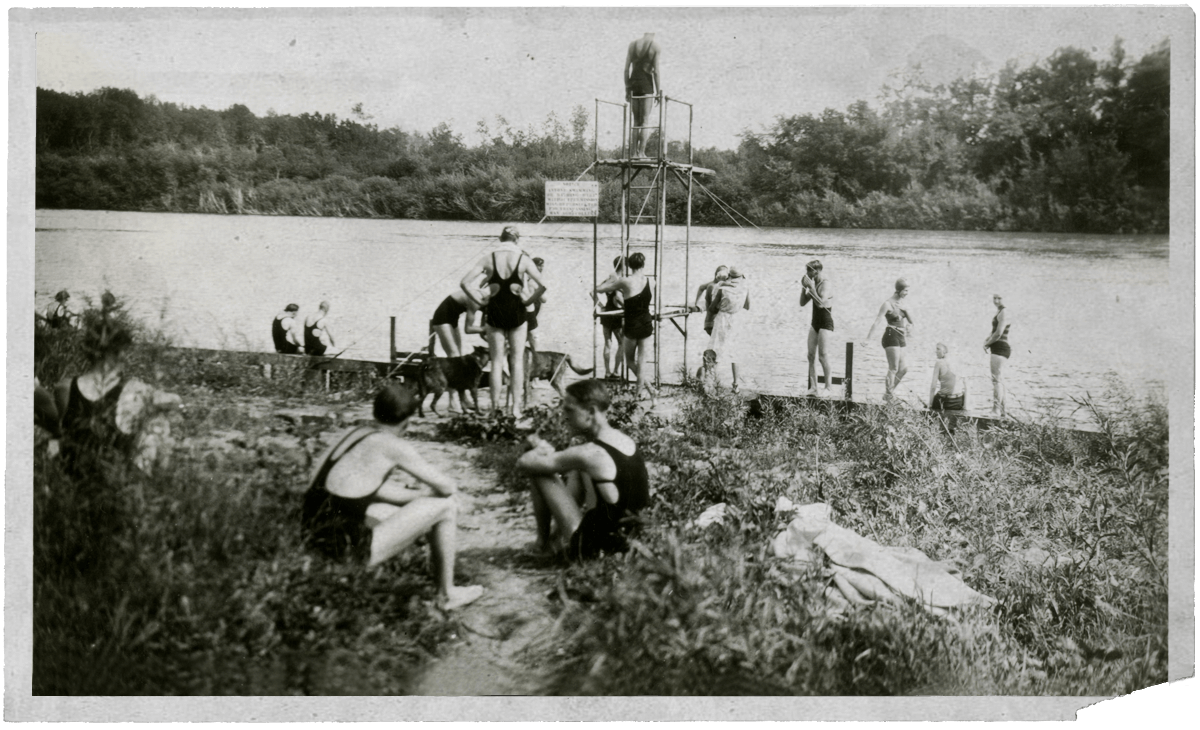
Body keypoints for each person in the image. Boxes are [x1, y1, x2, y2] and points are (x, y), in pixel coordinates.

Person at [301, 384, 484, 611]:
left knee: (394, 511)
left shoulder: (356, 434)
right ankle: (447, 594)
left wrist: (420, 496)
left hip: (310, 538)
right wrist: (435, 496)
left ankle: (406, 569)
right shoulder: (392, 445)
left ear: (375, 412)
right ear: (407, 421)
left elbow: (373, 489)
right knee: (445, 507)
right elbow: (447, 487)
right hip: (344, 552)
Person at [516, 379, 650, 560]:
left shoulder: (589, 454)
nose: (564, 416)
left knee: (540, 470)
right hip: (628, 543)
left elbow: (524, 463)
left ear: (590, 412)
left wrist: (538, 450)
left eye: (569, 410)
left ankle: (544, 545)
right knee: (578, 471)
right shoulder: (624, 441)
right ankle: (557, 541)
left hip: (596, 551)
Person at [52, 291, 182, 477]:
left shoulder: (64, 387)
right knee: (157, 420)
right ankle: (152, 483)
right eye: (124, 352)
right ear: (117, 353)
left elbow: (58, 437)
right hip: (109, 485)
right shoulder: (132, 390)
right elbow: (174, 401)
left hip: (72, 483)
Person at [460, 225, 546, 418]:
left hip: (495, 313)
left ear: (501, 239)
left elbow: (464, 283)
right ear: (516, 241)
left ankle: (493, 408)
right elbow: (542, 286)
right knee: (516, 362)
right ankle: (515, 409)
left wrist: (480, 302)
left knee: (497, 363)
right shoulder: (523, 259)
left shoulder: (488, 258)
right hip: (517, 313)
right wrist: (527, 301)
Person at [595, 251, 656, 402]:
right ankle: (645, 392)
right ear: (644, 264)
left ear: (629, 265)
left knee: (630, 362)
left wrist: (612, 279)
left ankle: (643, 392)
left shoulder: (625, 281)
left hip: (632, 324)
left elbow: (599, 289)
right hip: (647, 323)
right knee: (641, 362)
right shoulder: (652, 281)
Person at [862, 278, 914, 400]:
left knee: (903, 369)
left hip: (901, 337)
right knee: (893, 368)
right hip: (891, 335)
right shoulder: (887, 304)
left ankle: (888, 394)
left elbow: (911, 322)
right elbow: (877, 321)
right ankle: (889, 394)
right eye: (905, 291)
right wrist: (868, 339)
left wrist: (907, 314)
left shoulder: (903, 304)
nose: (907, 293)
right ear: (899, 290)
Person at [706, 266, 751, 393]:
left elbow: (712, 308)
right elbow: (747, 306)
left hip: (722, 320)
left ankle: (712, 384)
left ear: (729, 277)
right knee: (734, 352)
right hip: (736, 320)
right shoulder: (744, 288)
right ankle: (736, 385)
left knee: (715, 349)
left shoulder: (722, 289)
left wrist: (720, 305)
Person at [624, 33, 662, 159]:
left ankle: (633, 153)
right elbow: (656, 71)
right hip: (646, 85)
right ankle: (641, 153)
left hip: (634, 84)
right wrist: (658, 91)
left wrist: (627, 88)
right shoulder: (655, 46)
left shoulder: (633, 44)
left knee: (635, 121)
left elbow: (626, 69)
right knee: (645, 121)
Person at [799, 260, 834, 395]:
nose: (807, 274)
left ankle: (828, 388)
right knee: (811, 355)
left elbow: (820, 303)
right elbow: (802, 303)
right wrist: (804, 288)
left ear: (817, 271)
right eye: (807, 270)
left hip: (826, 322)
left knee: (823, 356)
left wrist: (811, 287)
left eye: (809, 271)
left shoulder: (825, 284)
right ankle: (813, 387)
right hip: (815, 322)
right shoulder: (814, 284)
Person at [593, 256, 627, 379]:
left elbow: (593, 291)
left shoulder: (609, 279)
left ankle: (607, 372)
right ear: (624, 266)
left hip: (606, 313)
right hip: (617, 314)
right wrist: (627, 307)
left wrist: (601, 305)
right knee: (622, 343)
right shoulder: (619, 280)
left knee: (607, 343)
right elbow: (617, 297)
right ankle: (616, 371)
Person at [430, 289, 485, 358]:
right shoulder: (476, 300)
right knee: (454, 355)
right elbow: (468, 329)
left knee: (458, 356)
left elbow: (483, 333)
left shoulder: (489, 303)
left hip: (453, 320)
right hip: (441, 319)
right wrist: (487, 329)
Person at [983, 294, 1011, 417]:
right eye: (994, 298)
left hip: (1000, 348)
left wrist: (987, 344)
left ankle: (996, 410)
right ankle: (1004, 411)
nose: (996, 300)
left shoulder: (1004, 312)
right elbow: (994, 331)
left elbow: (999, 333)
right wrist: (987, 339)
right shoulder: (1000, 312)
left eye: (999, 298)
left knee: (996, 380)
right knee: (1000, 380)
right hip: (999, 348)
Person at [691, 265, 730, 338]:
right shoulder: (713, 287)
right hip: (712, 324)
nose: (726, 280)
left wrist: (696, 302)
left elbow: (701, 287)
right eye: (725, 278)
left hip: (712, 323)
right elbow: (713, 309)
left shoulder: (713, 284)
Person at [929, 342, 968, 411]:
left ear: (945, 351)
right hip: (958, 402)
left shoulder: (939, 363)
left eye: (938, 349)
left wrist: (930, 405)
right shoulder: (960, 362)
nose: (936, 351)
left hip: (944, 402)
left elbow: (933, 387)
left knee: (935, 398)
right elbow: (966, 387)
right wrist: (965, 406)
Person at [524, 257, 548, 354]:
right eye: (539, 265)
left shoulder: (525, 277)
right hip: (529, 311)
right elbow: (544, 299)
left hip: (527, 310)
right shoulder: (533, 280)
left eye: (542, 266)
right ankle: (535, 354)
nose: (541, 268)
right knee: (533, 334)